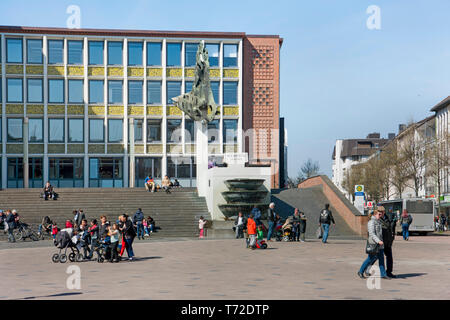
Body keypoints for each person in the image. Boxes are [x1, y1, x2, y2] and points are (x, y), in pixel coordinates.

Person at [357, 210, 390, 279]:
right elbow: (372, 234)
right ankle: (360, 271)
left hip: (380, 244)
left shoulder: (379, 221)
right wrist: (378, 241)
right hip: (374, 244)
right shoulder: (371, 222)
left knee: (381, 259)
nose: (380, 216)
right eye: (379, 214)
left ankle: (383, 274)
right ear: (375, 214)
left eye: (381, 214)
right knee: (370, 258)